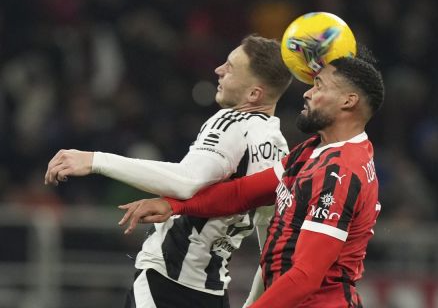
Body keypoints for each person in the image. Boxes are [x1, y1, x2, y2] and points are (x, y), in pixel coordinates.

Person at [44, 34, 293, 308]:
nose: (218, 70)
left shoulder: (231, 122)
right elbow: (273, 245)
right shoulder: (279, 149)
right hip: (212, 294)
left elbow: (186, 180)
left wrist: (95, 160)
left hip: (167, 285)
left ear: (254, 94)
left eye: (230, 67)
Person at [117, 54, 385, 307]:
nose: (307, 93)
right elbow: (242, 193)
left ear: (348, 101)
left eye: (319, 86)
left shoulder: (340, 172)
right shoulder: (312, 151)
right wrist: (175, 206)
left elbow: (305, 275)